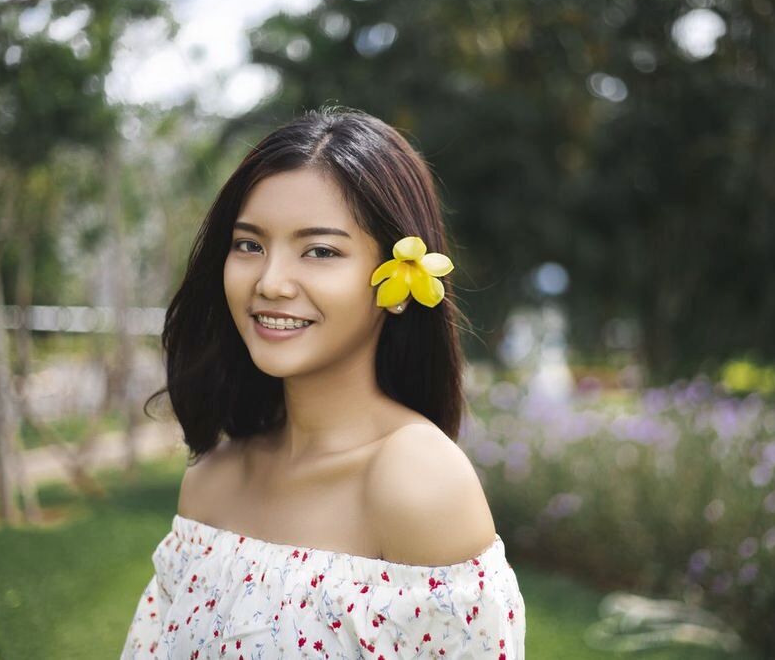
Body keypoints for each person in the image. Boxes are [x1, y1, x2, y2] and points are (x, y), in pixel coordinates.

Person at [120, 106, 526, 659]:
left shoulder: (418, 483)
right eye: (249, 244)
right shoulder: (213, 481)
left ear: (399, 281)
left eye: (320, 251)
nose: (271, 282)